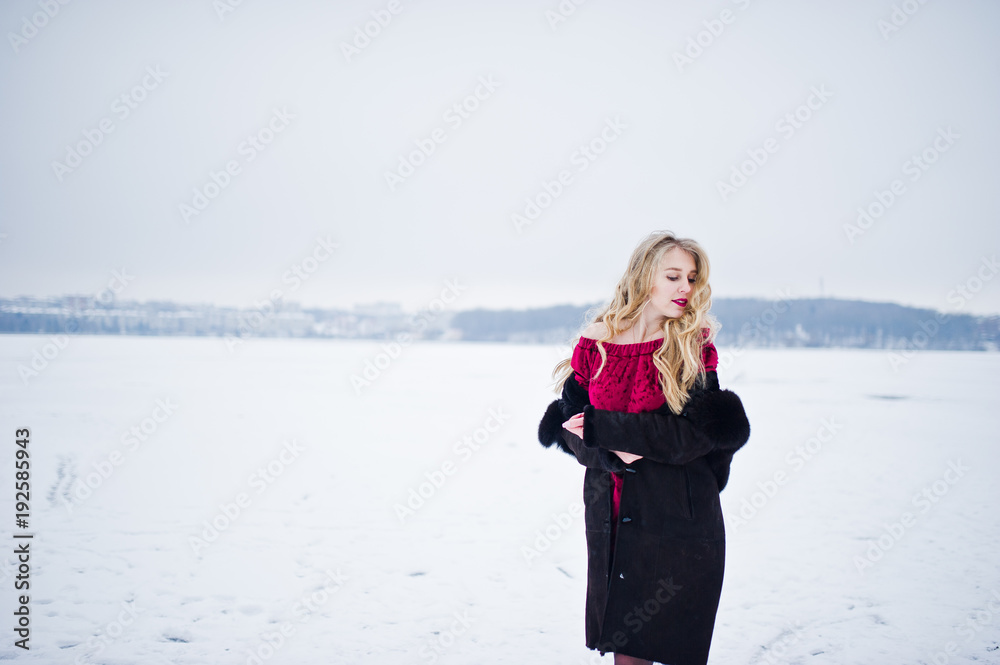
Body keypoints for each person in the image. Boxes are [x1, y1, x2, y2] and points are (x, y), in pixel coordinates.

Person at [537, 230, 751, 665]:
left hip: (681, 518)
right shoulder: (596, 345)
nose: (685, 289)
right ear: (644, 277)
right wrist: (611, 450)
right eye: (673, 276)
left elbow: (696, 437)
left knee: (673, 650)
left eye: (691, 278)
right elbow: (572, 428)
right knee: (627, 654)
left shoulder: (692, 345)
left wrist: (609, 431)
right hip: (612, 515)